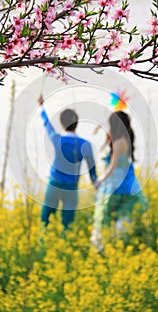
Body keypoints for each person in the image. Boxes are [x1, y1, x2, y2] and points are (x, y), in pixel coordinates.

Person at [38, 94, 97, 234]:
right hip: (72, 187)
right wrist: (95, 182)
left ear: (62, 124)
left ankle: (43, 244)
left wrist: (41, 107)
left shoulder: (57, 140)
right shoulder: (85, 145)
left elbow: (48, 125)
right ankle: (65, 242)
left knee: (46, 218)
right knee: (68, 222)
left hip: (55, 183)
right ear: (77, 123)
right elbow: (92, 168)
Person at [91, 110, 147, 251]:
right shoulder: (125, 138)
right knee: (123, 219)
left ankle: (105, 247)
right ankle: (118, 246)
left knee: (105, 218)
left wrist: (99, 180)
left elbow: (112, 166)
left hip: (118, 185)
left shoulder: (118, 142)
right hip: (126, 181)